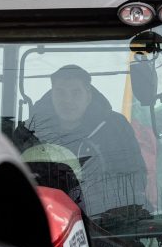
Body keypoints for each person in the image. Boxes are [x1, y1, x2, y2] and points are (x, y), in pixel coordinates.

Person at [16, 64, 147, 217]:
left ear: (88, 95)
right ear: (52, 94)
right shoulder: (29, 132)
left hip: (105, 223)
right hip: (47, 219)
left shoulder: (115, 129)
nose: (67, 100)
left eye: (76, 93)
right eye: (60, 92)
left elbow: (135, 178)